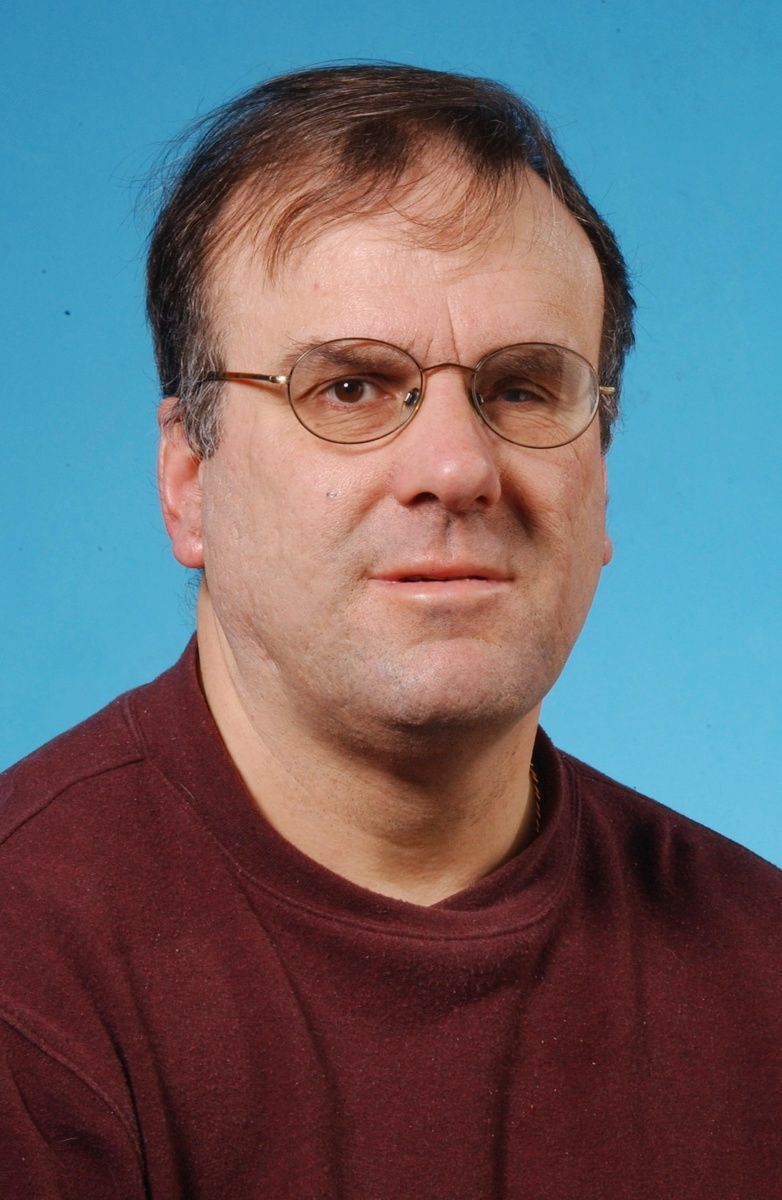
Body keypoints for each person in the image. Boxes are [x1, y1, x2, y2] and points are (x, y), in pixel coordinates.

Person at [0, 64, 778, 1200]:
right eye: (352, 389)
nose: (457, 468)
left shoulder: (759, 965)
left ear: (600, 481)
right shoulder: (27, 975)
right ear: (187, 481)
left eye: (519, 389)